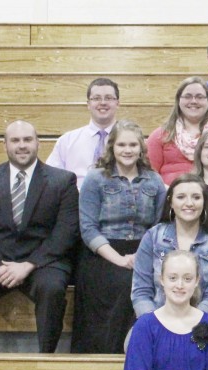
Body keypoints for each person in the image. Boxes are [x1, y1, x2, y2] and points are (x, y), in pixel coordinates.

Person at [0, 120, 79, 353]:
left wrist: (29, 264)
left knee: (52, 289)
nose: (22, 146)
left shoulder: (62, 180)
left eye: (28, 140)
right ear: (5, 144)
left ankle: (47, 356)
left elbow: (66, 231)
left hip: (42, 262)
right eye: (16, 140)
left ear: (38, 143)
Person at [73, 120, 166, 354]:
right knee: (117, 284)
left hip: (143, 250)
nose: (127, 150)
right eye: (122, 144)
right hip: (102, 252)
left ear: (141, 148)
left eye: (133, 144)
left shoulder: (154, 181)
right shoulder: (95, 179)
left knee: (137, 286)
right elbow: (88, 228)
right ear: (112, 147)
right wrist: (119, 259)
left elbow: (159, 225)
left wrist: (140, 255)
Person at [132, 174, 208, 318]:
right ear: (170, 202)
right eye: (181, 197)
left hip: (198, 326)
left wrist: (190, 324)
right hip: (153, 323)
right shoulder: (153, 236)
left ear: (204, 202)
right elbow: (141, 291)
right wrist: (155, 325)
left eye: (196, 197)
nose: (189, 203)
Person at [147, 77, 208, 185]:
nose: (193, 101)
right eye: (187, 96)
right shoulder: (159, 136)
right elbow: (149, 178)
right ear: (178, 101)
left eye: (199, 97)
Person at [46, 77, 120, 188]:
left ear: (117, 103)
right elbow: (50, 179)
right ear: (88, 104)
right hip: (76, 202)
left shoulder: (131, 141)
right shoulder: (66, 141)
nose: (103, 102)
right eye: (96, 98)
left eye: (109, 98)